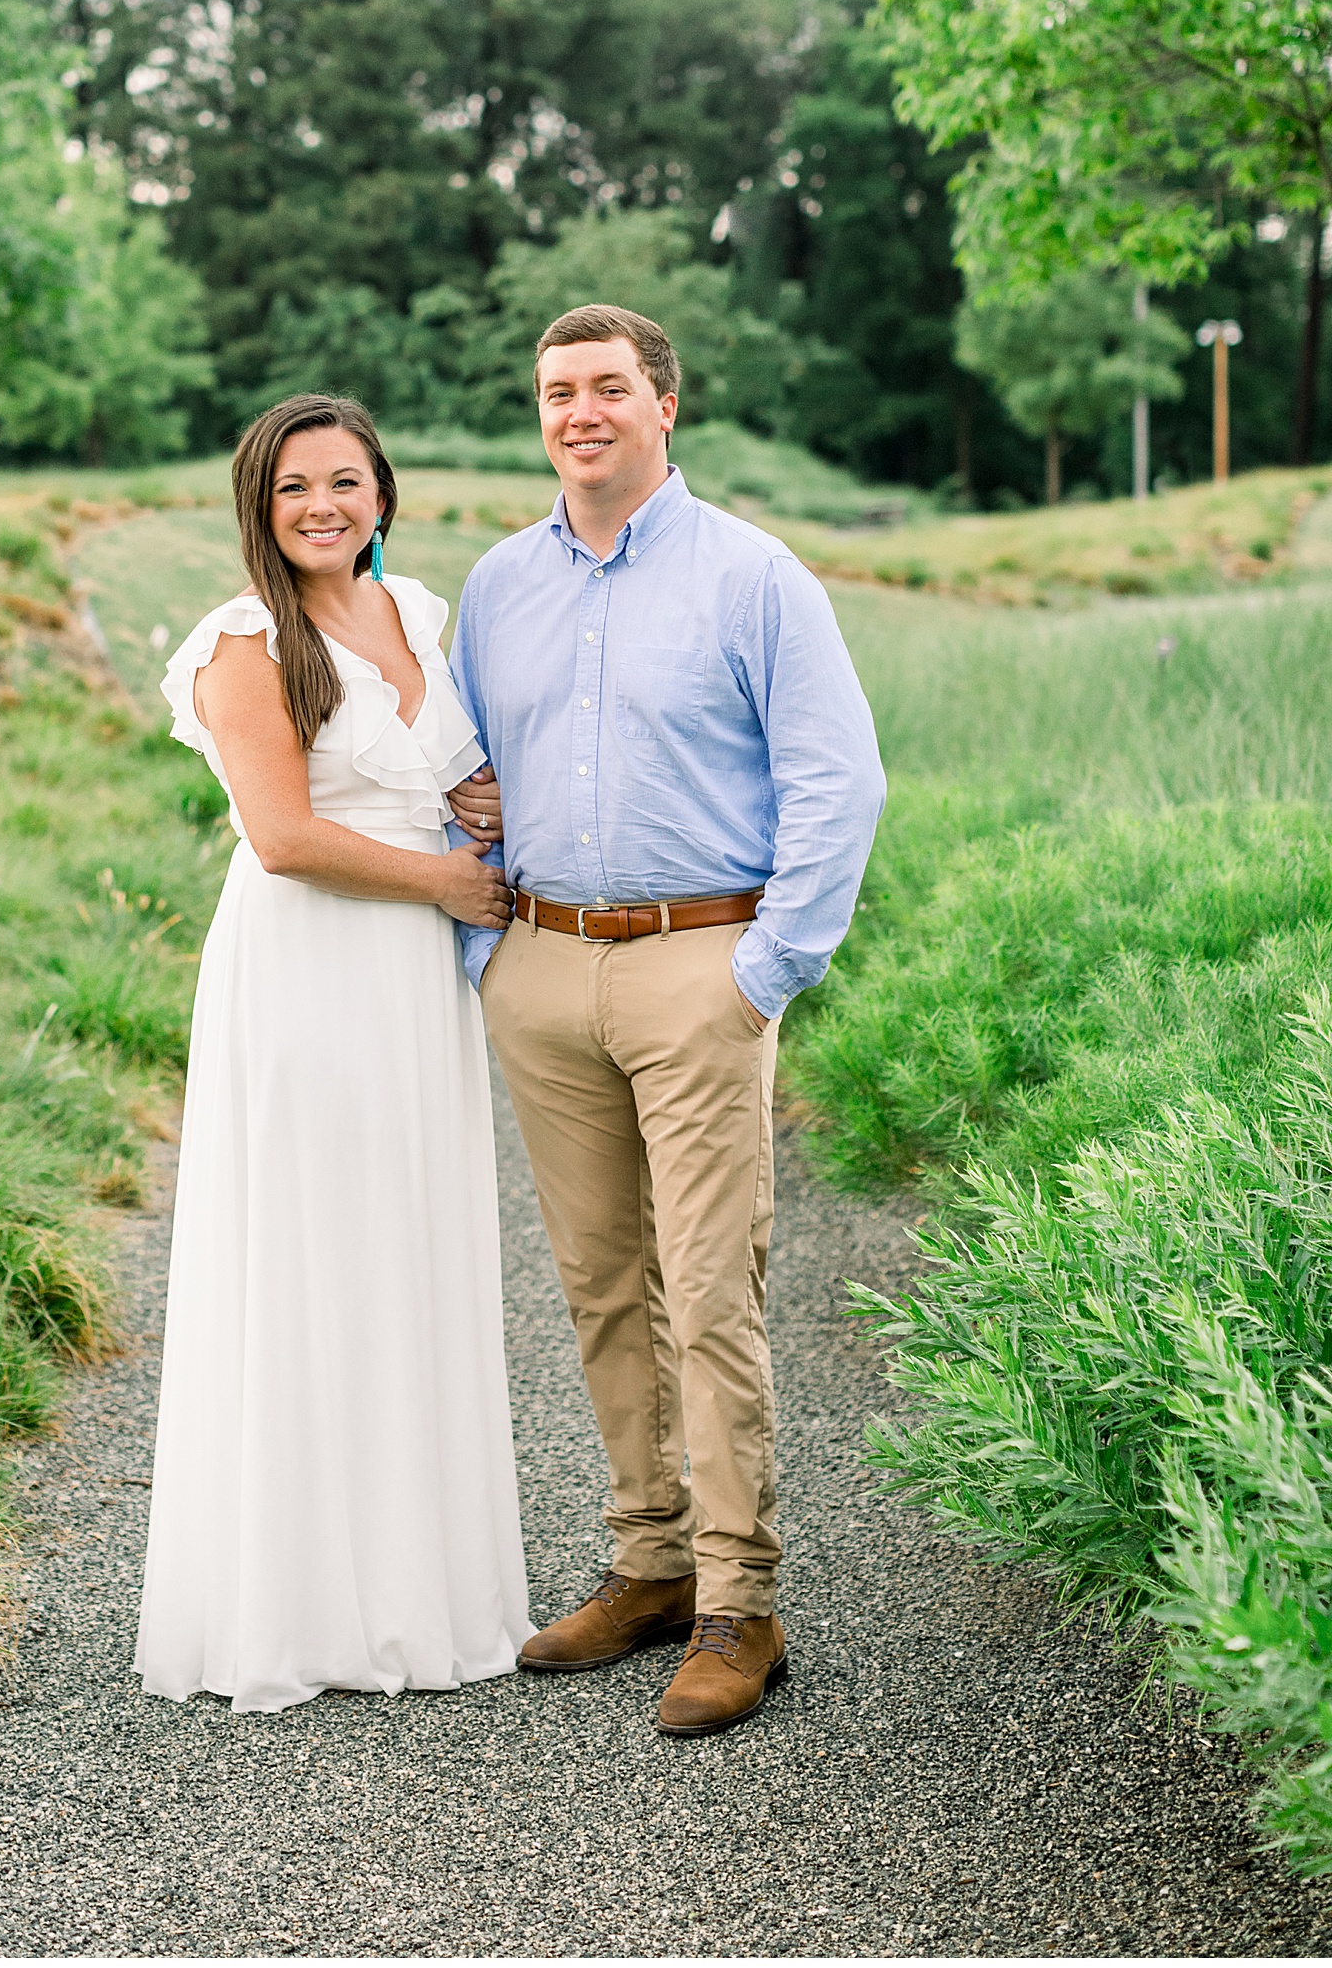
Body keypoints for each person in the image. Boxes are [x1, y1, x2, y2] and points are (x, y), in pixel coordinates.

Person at [446, 304, 885, 1738]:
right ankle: (646, 1556)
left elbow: (839, 783)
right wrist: (483, 955)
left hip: (704, 959)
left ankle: (738, 1598)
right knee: (596, 1281)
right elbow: (462, 781)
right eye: (558, 390)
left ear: (665, 405)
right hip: (546, 968)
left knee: (709, 1287)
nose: (582, 411)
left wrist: (768, 972)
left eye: (609, 388)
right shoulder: (501, 585)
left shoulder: (755, 576)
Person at [134, 393, 530, 1714]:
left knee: (406, 1251)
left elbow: (451, 772)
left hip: (413, 985)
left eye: (345, 481)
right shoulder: (245, 643)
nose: (322, 505)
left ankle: (417, 1595)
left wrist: (478, 811)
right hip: (308, 970)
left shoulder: (415, 609)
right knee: (314, 1257)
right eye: (295, 485)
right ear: (261, 501)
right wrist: (445, 882)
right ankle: (299, 1609)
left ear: (382, 491)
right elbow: (286, 836)